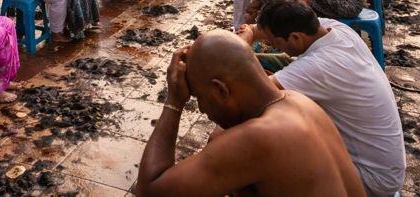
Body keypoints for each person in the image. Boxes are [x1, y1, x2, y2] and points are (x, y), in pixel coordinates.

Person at [136, 31, 365, 197]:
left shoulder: (258, 139)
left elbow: (149, 190)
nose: (203, 110)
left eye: (199, 98)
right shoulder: (299, 101)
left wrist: (175, 99)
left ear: (221, 90)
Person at [239, 0, 405, 196]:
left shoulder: (321, 66)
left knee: (260, 154)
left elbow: (255, 94)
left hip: (371, 179)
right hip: (387, 168)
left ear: (295, 38)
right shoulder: (333, 29)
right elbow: (260, 31)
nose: (274, 46)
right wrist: (248, 32)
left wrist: (240, 50)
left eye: (275, 43)